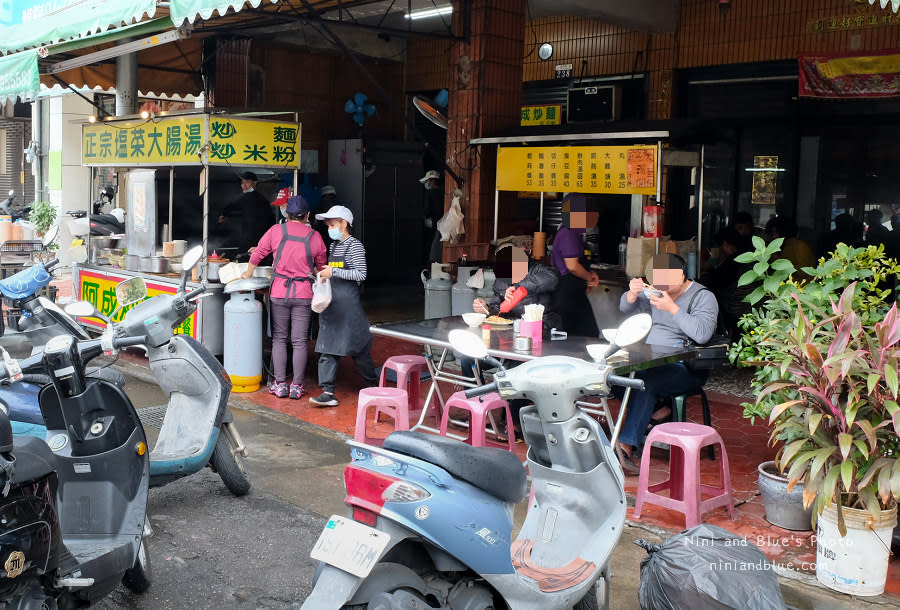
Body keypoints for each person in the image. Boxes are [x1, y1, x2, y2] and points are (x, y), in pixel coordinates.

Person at [616, 253, 719, 474]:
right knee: (615, 376)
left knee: (645, 382)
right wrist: (632, 294)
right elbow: (624, 307)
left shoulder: (703, 297)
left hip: (686, 367)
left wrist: (672, 307)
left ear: (682, 276)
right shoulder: (655, 291)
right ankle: (660, 410)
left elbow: (702, 334)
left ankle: (625, 446)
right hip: (652, 360)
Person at [242, 196, 327, 399]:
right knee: (299, 342)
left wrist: (248, 273)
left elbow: (258, 252)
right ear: (307, 216)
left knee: (279, 339)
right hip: (304, 293)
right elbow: (322, 268)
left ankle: (279, 385)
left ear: (287, 215)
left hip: (279, 291)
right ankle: (297, 387)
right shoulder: (314, 236)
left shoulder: (276, 231)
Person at [309, 205, 378, 407]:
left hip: (348, 304)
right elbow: (333, 270)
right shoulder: (334, 247)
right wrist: (321, 275)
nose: (329, 227)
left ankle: (374, 385)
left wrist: (334, 273)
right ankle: (328, 392)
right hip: (332, 304)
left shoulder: (355, 246)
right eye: (328, 224)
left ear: (344, 223)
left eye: (332, 224)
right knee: (327, 348)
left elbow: (360, 274)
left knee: (358, 347)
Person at [550, 193, 600, 337]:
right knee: (579, 337)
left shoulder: (572, 232)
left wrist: (586, 279)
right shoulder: (569, 233)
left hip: (574, 295)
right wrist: (589, 277)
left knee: (585, 335)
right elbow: (572, 265)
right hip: (567, 296)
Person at [218, 171, 273, 254]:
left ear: (255, 183)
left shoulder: (248, 196)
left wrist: (224, 214)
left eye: (247, 182)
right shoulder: (263, 199)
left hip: (250, 236)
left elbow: (231, 206)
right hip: (262, 237)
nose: (244, 185)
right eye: (242, 182)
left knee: (246, 257)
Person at [420, 170, 443, 263]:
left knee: (432, 246)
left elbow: (427, 211)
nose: (426, 183)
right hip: (443, 224)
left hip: (434, 224)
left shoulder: (430, 193)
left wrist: (423, 215)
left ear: (433, 181)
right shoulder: (444, 192)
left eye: (428, 181)